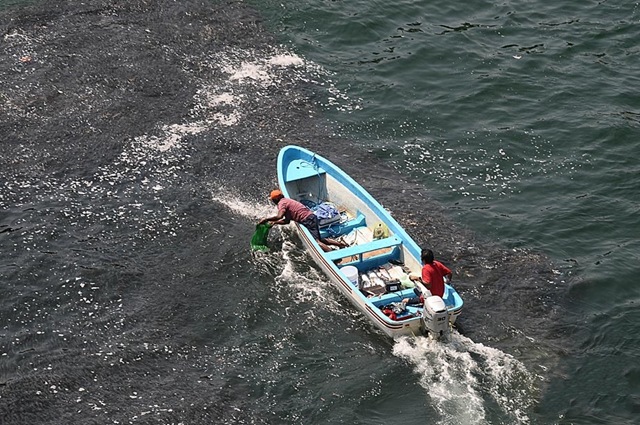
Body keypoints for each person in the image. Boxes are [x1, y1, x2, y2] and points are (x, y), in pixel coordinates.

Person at [258, 189, 347, 253]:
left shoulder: (282, 204)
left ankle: (331, 254)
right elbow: (287, 221)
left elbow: (279, 216)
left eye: (273, 199)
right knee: (319, 239)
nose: (273, 201)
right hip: (312, 217)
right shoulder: (287, 201)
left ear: (276, 199)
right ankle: (341, 244)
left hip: (307, 220)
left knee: (316, 242)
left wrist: (266, 219)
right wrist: (275, 222)